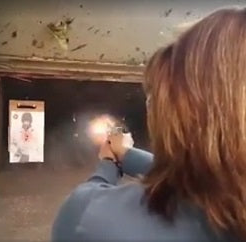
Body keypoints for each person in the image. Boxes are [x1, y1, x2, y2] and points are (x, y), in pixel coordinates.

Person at [52, 7, 246, 242]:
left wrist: (107, 164)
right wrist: (125, 154)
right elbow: (205, 174)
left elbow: (87, 200)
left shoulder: (89, 218)